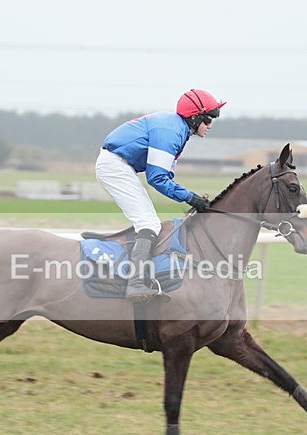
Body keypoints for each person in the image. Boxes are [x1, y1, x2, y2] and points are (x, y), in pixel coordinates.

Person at [95, 88, 226, 303]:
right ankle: (136, 284)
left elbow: (165, 175)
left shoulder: (178, 129)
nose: (210, 126)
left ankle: (142, 277)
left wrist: (189, 196)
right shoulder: (171, 131)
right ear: (194, 117)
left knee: (150, 222)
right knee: (148, 223)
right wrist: (190, 197)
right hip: (114, 166)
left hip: (120, 165)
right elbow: (157, 178)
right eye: (209, 120)